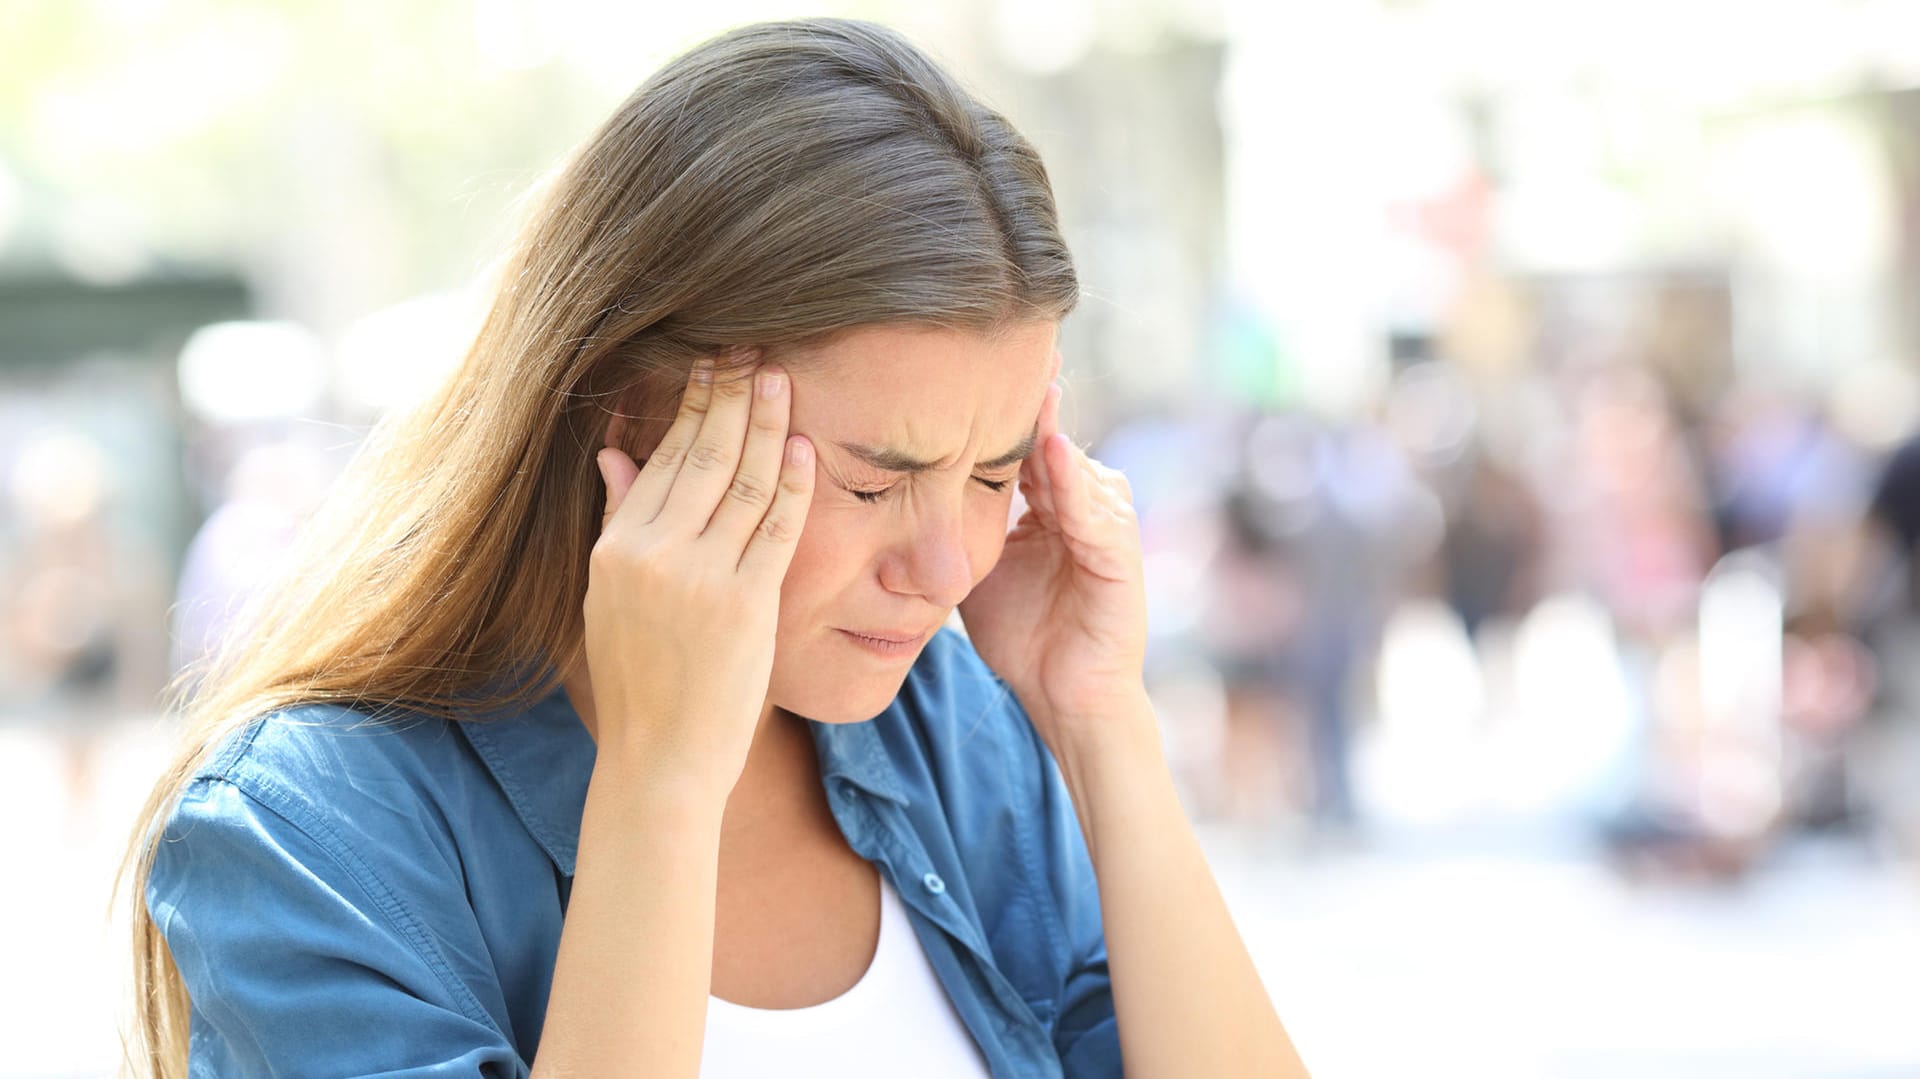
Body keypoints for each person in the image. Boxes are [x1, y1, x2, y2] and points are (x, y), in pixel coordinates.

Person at [115, 19, 1308, 1079]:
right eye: (872, 477)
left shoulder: (951, 730)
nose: (948, 565)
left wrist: (1103, 724)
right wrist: (661, 783)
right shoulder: (307, 833)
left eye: (994, 473)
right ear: (627, 416)